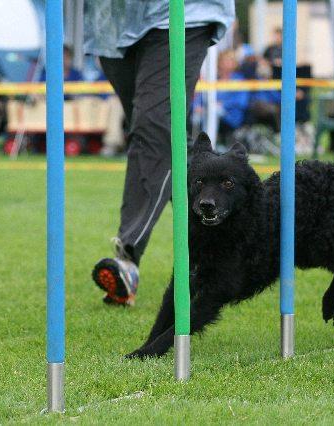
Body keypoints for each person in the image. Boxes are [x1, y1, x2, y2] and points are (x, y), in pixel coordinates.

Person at [84, 1, 235, 306]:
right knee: (165, 141)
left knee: (153, 129)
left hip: (181, 13)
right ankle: (230, 240)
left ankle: (127, 256)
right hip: (112, 22)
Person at [215, 50, 250, 145]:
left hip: (231, 116)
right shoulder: (213, 79)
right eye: (224, 60)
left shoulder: (239, 80)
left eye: (229, 60)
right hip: (209, 114)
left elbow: (242, 101)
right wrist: (198, 107)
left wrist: (223, 104)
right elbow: (202, 97)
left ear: (234, 64)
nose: (226, 63)